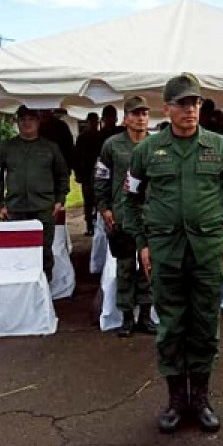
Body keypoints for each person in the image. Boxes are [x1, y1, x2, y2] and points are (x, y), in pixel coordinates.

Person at [123, 74, 223, 434]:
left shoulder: (219, 146)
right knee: (172, 327)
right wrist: (142, 244)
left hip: (208, 250)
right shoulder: (148, 150)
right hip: (165, 252)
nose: (191, 109)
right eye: (182, 103)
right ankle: (177, 400)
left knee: (205, 325)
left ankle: (201, 399)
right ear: (167, 108)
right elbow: (128, 199)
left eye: (195, 103)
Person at [94, 95, 156, 337]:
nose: (141, 118)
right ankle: (127, 316)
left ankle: (147, 315)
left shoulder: (157, 145)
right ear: (126, 118)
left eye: (144, 113)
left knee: (149, 266)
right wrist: (104, 207)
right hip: (121, 216)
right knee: (126, 267)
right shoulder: (112, 145)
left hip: (150, 216)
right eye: (135, 114)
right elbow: (101, 177)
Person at [0, 105, 70, 280]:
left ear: (38, 122)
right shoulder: (7, 148)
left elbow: (62, 175)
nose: (27, 123)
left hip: (44, 208)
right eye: (23, 120)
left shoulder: (50, 148)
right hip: (16, 209)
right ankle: (22, 292)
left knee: (44, 252)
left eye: (31, 119)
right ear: (17, 122)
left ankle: (45, 289)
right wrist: (0, 203)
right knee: (19, 254)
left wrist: (60, 199)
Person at [73, 112, 101, 236]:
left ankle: (94, 224)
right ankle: (90, 225)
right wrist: (78, 173)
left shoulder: (100, 136)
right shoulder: (83, 138)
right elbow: (77, 157)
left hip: (98, 174)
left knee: (97, 201)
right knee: (89, 202)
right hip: (86, 174)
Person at [39, 109, 75, 175]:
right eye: (41, 111)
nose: (42, 113)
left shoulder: (61, 126)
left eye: (45, 111)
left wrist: (68, 167)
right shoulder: (35, 127)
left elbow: (69, 148)